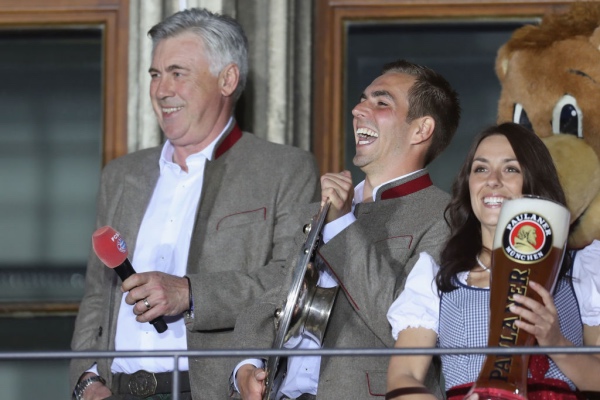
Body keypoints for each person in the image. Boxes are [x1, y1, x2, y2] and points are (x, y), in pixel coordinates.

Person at [69, 8, 320, 400]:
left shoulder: (283, 169)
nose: (161, 89)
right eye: (155, 74)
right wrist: (85, 380)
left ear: (227, 79)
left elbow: (290, 284)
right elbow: (97, 294)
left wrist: (190, 293)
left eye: (177, 73)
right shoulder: (121, 175)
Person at [232, 59, 461, 399]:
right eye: (362, 99)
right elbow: (275, 297)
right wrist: (246, 365)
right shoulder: (320, 210)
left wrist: (341, 225)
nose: (357, 110)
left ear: (421, 130)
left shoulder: (446, 218)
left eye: (381, 102)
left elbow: (406, 331)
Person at [386, 122, 600, 400]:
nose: (493, 180)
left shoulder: (580, 269)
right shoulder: (437, 277)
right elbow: (404, 377)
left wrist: (556, 343)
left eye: (511, 168)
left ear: (532, 180)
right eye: (481, 168)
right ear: (468, 184)